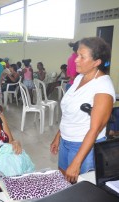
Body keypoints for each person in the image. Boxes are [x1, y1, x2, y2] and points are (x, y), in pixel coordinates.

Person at [50, 37, 116, 183]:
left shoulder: (103, 88)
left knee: (79, 189)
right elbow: (69, 112)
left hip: (83, 146)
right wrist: (59, 136)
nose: (76, 60)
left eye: (82, 56)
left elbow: (95, 129)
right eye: (77, 55)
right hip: (66, 140)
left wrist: (77, 161)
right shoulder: (80, 78)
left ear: (97, 62)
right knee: (64, 182)